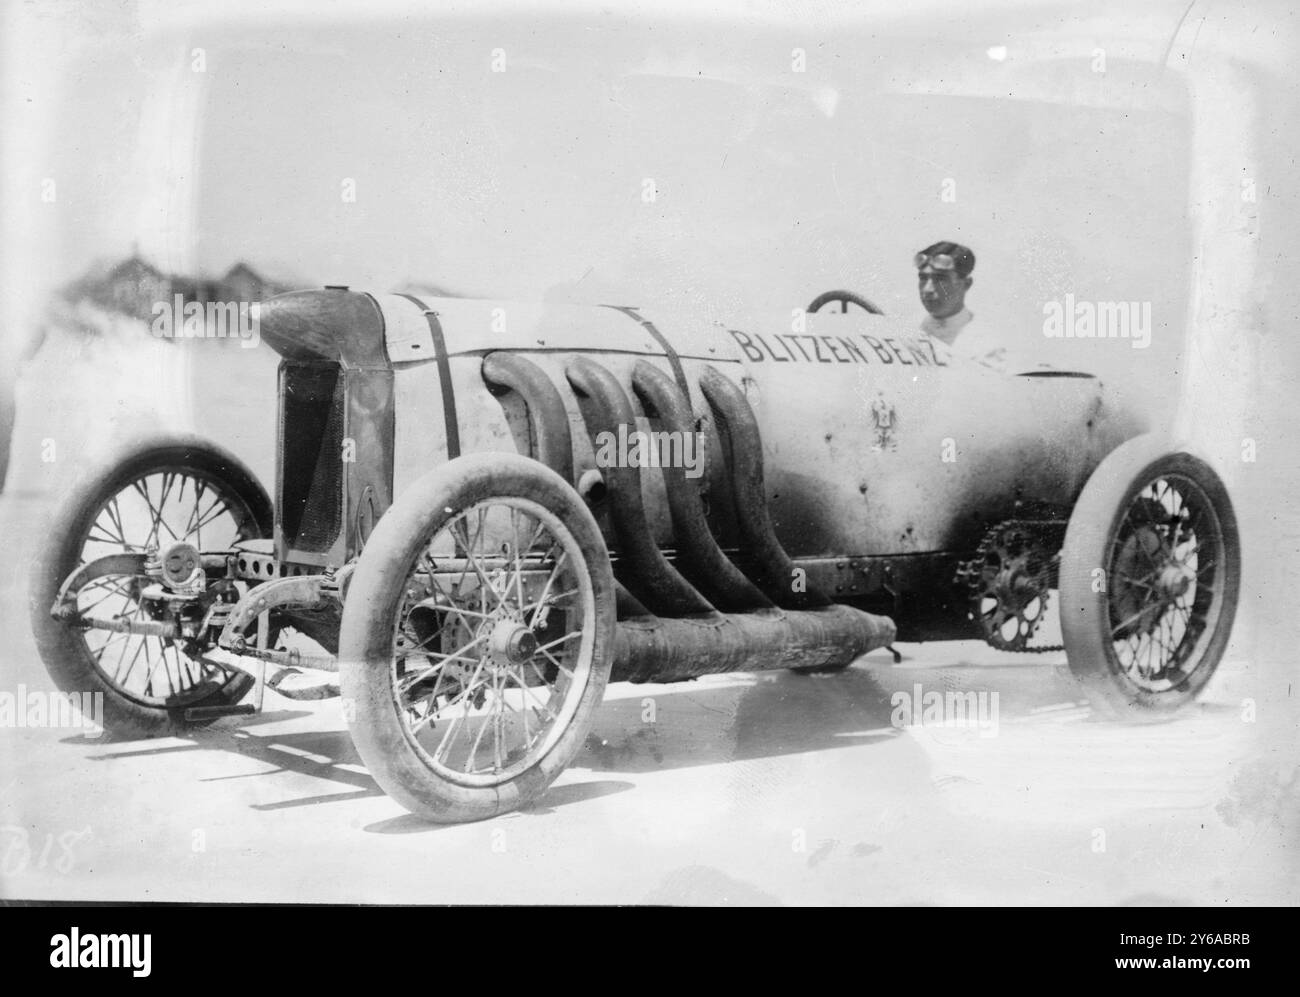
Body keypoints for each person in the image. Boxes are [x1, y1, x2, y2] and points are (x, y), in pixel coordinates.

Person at [915, 241, 1008, 369]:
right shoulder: (908, 331)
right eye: (923, 278)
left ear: (966, 284)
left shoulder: (988, 345)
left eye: (941, 279)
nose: (928, 289)